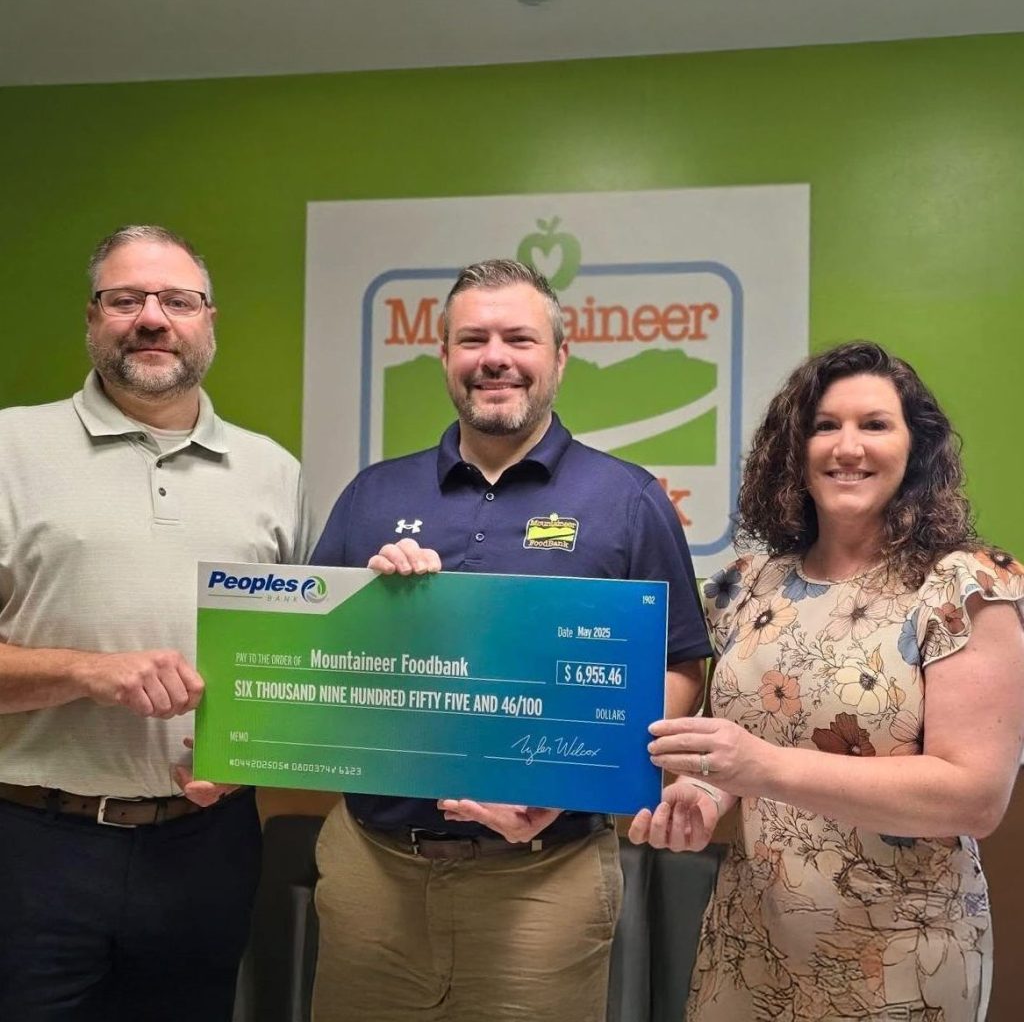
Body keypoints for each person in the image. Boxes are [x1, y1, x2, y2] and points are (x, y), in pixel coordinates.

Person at [310, 258, 711, 1022]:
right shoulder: (373, 495)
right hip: (374, 871)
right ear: (444, 357)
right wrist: (369, 607)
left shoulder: (627, 499)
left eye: (519, 339)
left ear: (560, 356)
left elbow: (680, 667)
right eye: (473, 340)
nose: (494, 357)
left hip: (544, 883)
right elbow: (314, 658)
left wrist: (570, 783)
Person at [629, 341, 1024, 1020]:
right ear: (795, 449)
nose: (848, 447)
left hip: (901, 956)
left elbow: (973, 798)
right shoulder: (746, 584)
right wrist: (703, 794)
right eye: (824, 426)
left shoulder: (965, 586)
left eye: (875, 425)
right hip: (748, 943)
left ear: (914, 449)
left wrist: (762, 768)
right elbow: (740, 749)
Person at [0, 225, 310, 1021]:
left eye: (177, 300)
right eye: (125, 299)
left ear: (209, 321)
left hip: (206, 845)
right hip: (32, 843)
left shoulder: (273, 472)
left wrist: (249, 754)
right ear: (91, 317)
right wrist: (86, 671)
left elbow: (292, 664)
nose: (151, 318)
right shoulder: (9, 448)